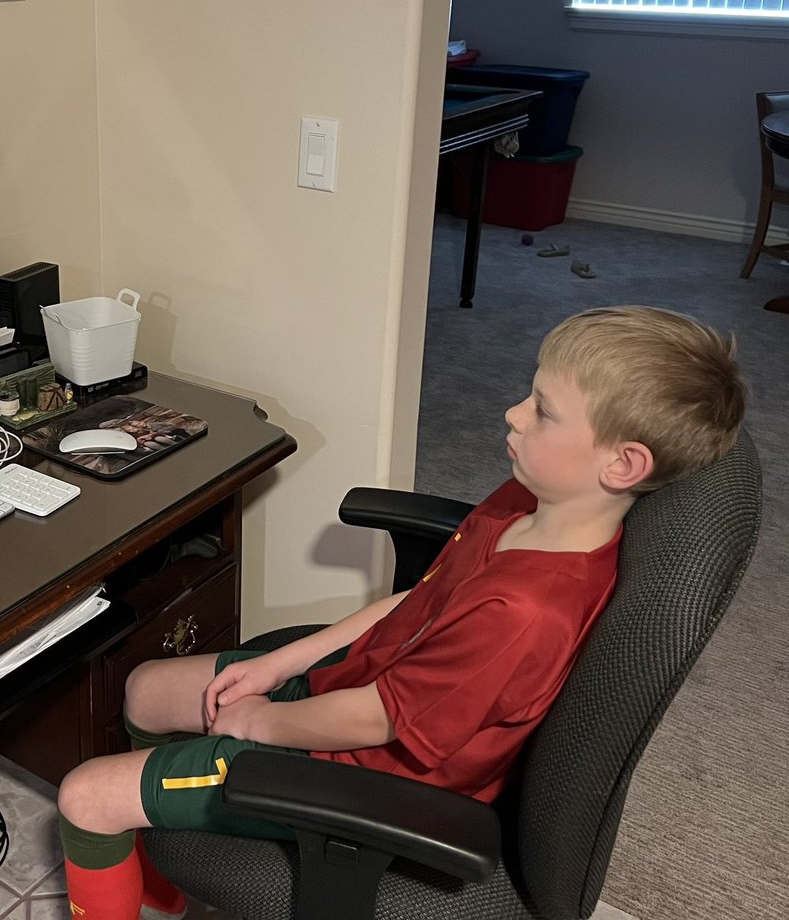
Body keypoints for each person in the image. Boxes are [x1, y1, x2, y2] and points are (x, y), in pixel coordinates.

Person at [55, 306, 746, 920]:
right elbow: (425, 595)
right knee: (147, 687)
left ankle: (144, 815)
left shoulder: (526, 612)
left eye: (543, 410)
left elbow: (377, 720)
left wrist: (259, 719)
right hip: (355, 688)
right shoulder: (529, 503)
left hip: (360, 768)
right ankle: (159, 868)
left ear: (622, 465)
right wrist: (279, 661)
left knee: (86, 797)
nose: (513, 414)